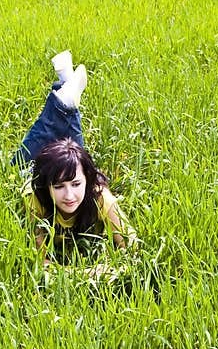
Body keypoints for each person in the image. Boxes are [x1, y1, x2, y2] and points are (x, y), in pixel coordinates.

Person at [14, 50, 136, 266]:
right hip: (31, 165)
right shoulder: (36, 198)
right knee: (36, 144)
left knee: (74, 154)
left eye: (76, 184)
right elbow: (40, 262)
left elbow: (133, 247)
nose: (69, 195)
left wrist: (105, 272)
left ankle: (65, 90)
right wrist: (79, 276)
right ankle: (65, 93)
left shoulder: (100, 197)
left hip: (64, 166)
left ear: (87, 180)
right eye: (59, 187)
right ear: (48, 187)